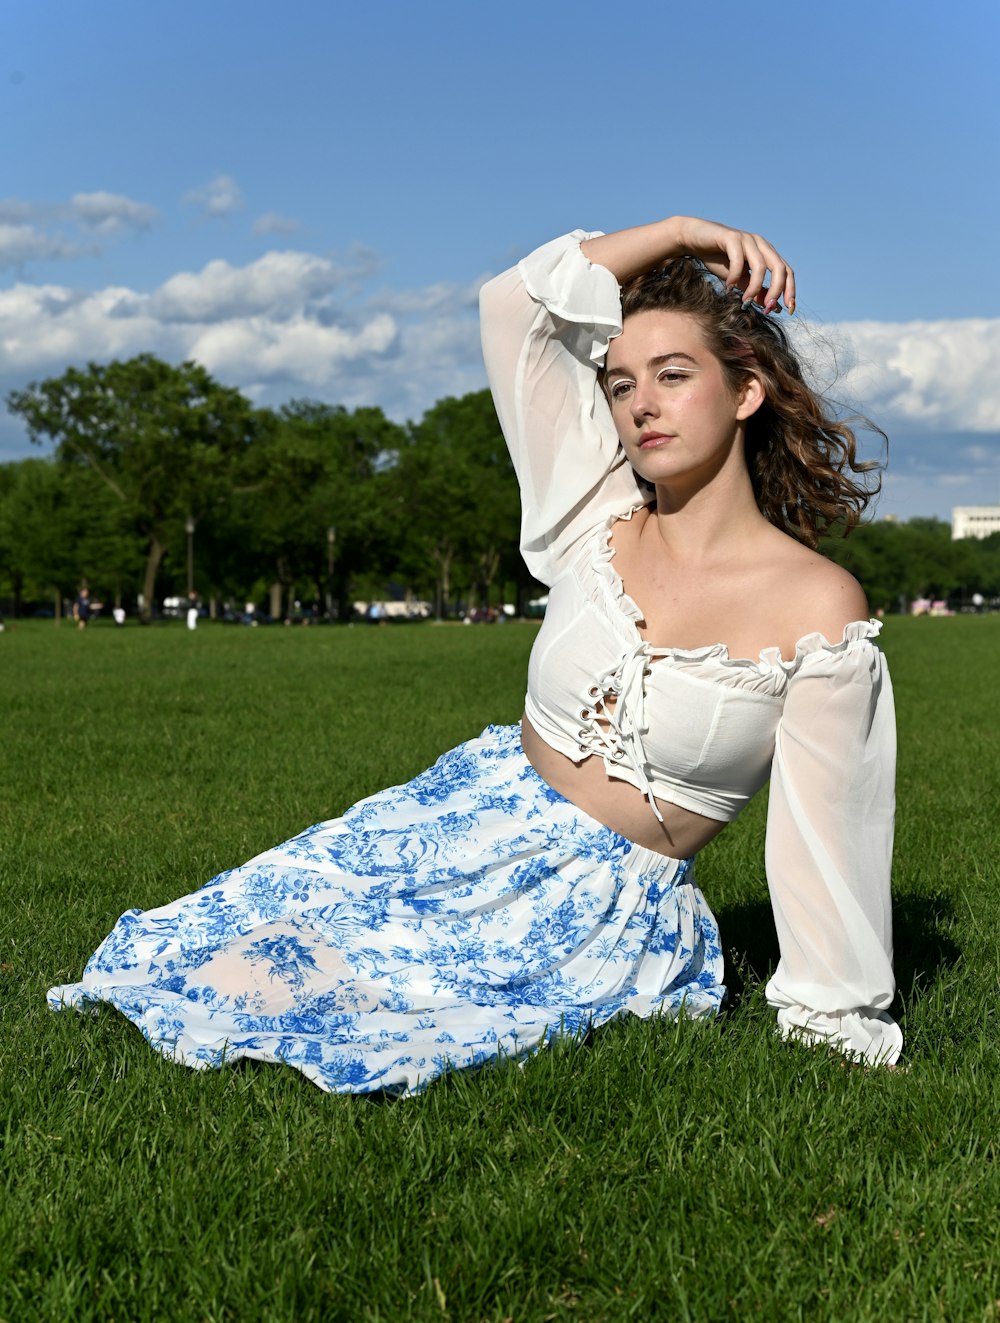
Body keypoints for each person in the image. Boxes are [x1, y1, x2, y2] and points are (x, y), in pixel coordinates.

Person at [47, 216, 900, 1093]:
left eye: (674, 375)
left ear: (747, 390)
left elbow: (831, 835)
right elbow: (514, 307)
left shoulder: (817, 606)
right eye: (618, 384)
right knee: (220, 946)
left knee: (326, 1003)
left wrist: (834, 1011)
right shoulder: (593, 515)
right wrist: (681, 234)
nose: (640, 404)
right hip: (459, 817)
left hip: (596, 904)